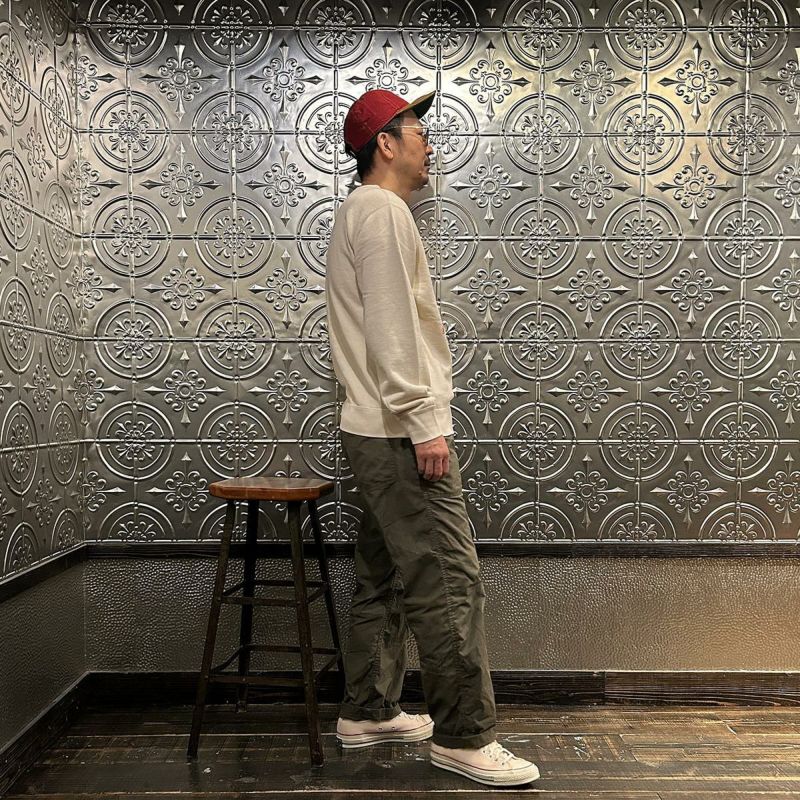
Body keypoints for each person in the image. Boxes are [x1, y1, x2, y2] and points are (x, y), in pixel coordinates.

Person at [324, 88, 539, 787]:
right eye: (418, 131)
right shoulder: (382, 212)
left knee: (385, 573)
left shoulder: (361, 211)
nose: (429, 144)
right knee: (448, 579)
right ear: (385, 144)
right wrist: (424, 424)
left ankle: (368, 711)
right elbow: (393, 329)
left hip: (372, 427)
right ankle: (464, 736)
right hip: (396, 430)